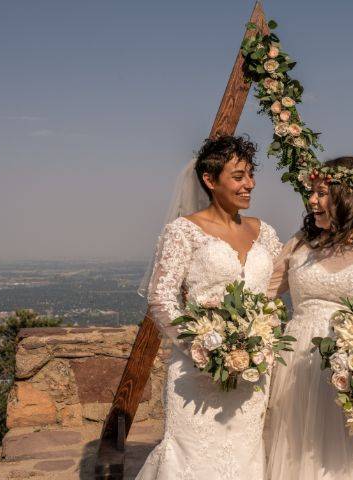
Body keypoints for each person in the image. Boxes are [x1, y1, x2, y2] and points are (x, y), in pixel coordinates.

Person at [135, 135, 282, 480]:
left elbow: (273, 297)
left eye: (250, 175)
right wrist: (201, 348)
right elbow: (161, 297)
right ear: (210, 180)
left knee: (244, 458)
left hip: (253, 373)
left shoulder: (266, 232)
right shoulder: (183, 232)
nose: (249, 184)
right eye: (239, 176)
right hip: (196, 373)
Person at [265, 156, 353, 479]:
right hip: (297, 367)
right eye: (312, 193)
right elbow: (263, 296)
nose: (312, 201)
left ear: (347, 197)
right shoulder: (301, 244)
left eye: (321, 193)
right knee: (296, 453)